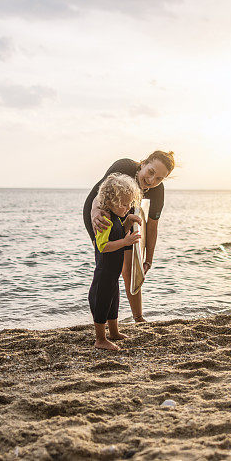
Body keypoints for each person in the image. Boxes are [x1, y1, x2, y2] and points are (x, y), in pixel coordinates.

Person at [82, 150, 176, 322]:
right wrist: (96, 212)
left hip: (127, 214)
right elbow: (99, 195)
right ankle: (101, 321)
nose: (151, 180)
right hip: (101, 212)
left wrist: (148, 259)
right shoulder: (124, 166)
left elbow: (152, 226)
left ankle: (138, 317)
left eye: (159, 178)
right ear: (144, 163)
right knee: (108, 266)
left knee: (129, 268)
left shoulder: (157, 191)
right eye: (151, 172)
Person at [88, 173, 142, 350]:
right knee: (103, 304)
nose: (127, 207)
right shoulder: (105, 219)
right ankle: (100, 339)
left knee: (114, 303)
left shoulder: (117, 217)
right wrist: (126, 242)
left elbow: (118, 233)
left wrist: (127, 223)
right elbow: (103, 246)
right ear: (110, 202)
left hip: (113, 274)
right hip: (104, 273)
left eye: (129, 204)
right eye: (124, 204)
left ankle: (114, 332)